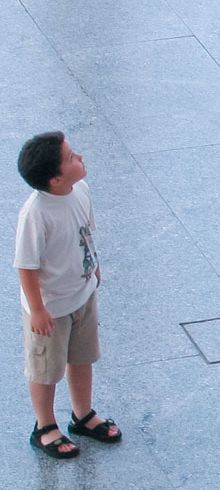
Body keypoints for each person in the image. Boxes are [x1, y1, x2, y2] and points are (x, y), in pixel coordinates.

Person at [14, 132, 121, 459]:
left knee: (82, 356)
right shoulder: (36, 213)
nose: (81, 157)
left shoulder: (81, 191)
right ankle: (44, 426)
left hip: (82, 294)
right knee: (45, 370)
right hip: (51, 308)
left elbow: (84, 234)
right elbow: (27, 267)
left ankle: (82, 414)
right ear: (56, 178)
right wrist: (37, 310)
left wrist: (94, 267)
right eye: (72, 157)